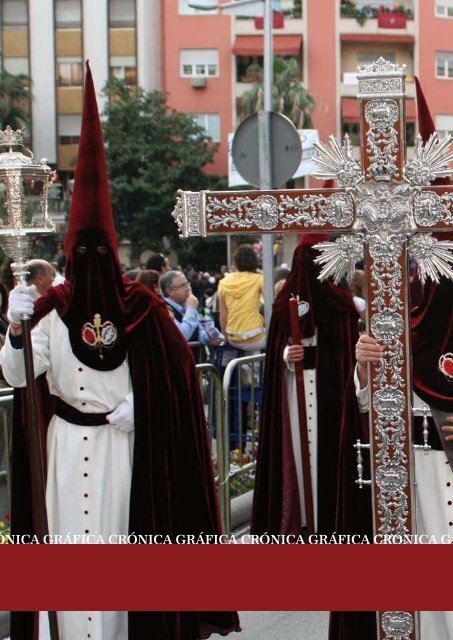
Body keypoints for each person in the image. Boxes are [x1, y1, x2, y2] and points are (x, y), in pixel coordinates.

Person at [1, 63, 240, 640]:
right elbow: (16, 374)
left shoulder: (141, 308)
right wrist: (13, 326)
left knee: (115, 546)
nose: (90, 264)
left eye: (97, 251)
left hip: (120, 447)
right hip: (63, 447)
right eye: (79, 253)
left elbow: (180, 374)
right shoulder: (50, 307)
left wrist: (144, 405)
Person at [251, 234, 359, 536]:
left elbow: (346, 355)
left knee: (329, 462)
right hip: (295, 394)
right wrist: (287, 355)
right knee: (298, 460)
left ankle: (331, 522)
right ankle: (300, 522)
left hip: (331, 396)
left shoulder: (342, 305)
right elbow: (275, 353)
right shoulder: (285, 304)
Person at [218, 244, 265, 354]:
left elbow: (223, 314)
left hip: (233, 337)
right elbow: (272, 304)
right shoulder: (259, 279)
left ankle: (246, 368)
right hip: (255, 337)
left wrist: (225, 336)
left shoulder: (224, 282)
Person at [160, 270, 223, 347]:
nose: (188, 289)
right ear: (170, 291)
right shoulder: (164, 308)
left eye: (187, 284)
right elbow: (181, 336)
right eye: (182, 286)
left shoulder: (186, 304)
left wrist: (208, 338)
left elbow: (198, 331)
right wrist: (191, 309)